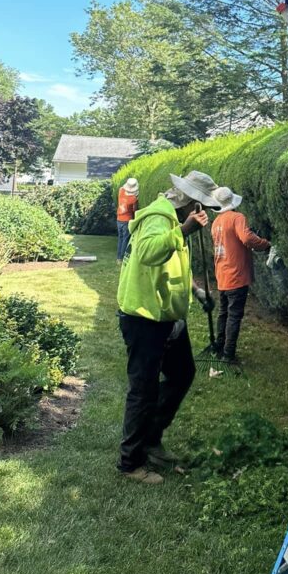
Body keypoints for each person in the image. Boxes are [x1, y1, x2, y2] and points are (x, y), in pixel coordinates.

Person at [116, 169, 219, 483]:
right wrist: (184, 231)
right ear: (189, 202)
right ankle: (130, 463)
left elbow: (174, 264)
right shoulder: (160, 218)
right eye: (201, 206)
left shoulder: (174, 220)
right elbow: (149, 253)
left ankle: (152, 438)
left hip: (167, 316)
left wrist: (196, 290)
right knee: (143, 390)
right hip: (144, 316)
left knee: (182, 372)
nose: (203, 213)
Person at [208, 185, 271, 368]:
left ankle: (219, 347)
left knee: (224, 313)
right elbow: (247, 238)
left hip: (222, 274)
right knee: (234, 315)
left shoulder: (216, 222)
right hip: (237, 275)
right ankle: (228, 354)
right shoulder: (237, 218)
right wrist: (266, 244)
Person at [116, 177, 139, 261]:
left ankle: (118, 258)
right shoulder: (134, 199)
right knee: (125, 240)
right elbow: (135, 211)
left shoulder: (120, 191)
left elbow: (123, 188)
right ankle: (122, 258)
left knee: (120, 238)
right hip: (127, 220)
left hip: (119, 218)